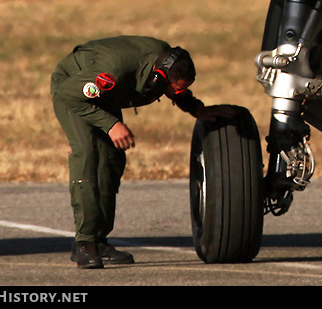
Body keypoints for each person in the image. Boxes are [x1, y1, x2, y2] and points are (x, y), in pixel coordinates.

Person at [50, 36, 229, 269]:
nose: (174, 93)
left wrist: (197, 109)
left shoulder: (164, 63)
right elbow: (69, 95)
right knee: (89, 155)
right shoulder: (112, 73)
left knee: (112, 161)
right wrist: (111, 125)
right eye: (173, 88)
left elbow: (175, 88)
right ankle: (85, 243)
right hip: (76, 91)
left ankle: (99, 239)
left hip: (104, 96)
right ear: (159, 77)